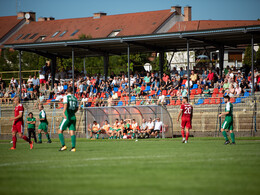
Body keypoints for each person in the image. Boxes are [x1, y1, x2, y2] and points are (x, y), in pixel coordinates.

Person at [58, 87, 79, 151]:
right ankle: (73, 148)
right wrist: (73, 113)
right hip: (73, 116)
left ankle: (63, 146)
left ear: (67, 91)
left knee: (60, 130)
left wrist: (63, 112)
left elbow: (66, 104)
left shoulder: (66, 97)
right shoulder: (75, 98)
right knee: (72, 131)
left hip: (67, 116)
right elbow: (77, 108)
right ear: (72, 91)